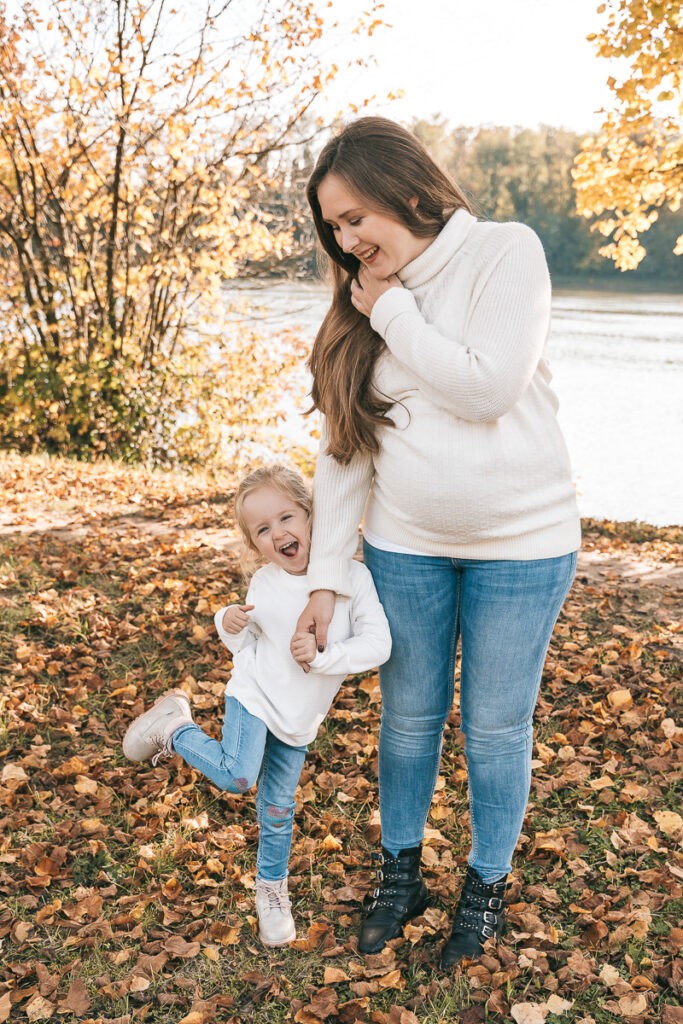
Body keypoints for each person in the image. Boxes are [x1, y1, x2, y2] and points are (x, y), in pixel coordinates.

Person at [293, 117, 581, 969]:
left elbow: (487, 389)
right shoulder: (360, 301)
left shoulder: (503, 252)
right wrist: (324, 580)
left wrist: (391, 311)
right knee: (409, 721)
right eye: (334, 227)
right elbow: (344, 450)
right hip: (404, 547)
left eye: (355, 218)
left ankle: (484, 886)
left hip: (523, 547)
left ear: (405, 191)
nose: (347, 241)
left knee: (494, 729)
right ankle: (402, 875)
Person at [122, 464, 391, 947]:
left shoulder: (353, 578)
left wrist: (326, 657)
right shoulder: (266, 582)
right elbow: (246, 645)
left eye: (286, 518)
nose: (278, 534)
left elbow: (379, 645)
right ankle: (176, 728)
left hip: (299, 719)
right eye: (263, 530)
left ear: (311, 516)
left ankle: (271, 891)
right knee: (239, 776)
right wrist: (227, 621)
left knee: (278, 809)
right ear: (254, 544)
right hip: (255, 696)